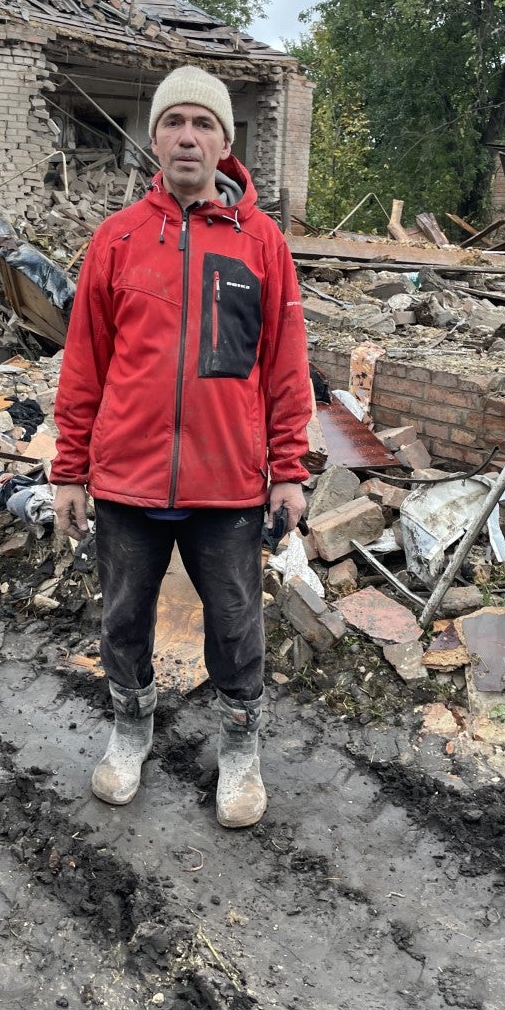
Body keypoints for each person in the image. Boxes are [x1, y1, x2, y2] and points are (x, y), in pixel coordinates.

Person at [51, 65, 310, 828]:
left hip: (227, 485)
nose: (187, 137)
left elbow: (285, 367)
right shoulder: (119, 240)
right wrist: (70, 470)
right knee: (124, 617)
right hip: (128, 481)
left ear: (226, 142)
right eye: (174, 123)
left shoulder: (262, 246)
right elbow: (84, 362)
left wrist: (288, 470)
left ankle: (240, 750)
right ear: (155, 138)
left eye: (203, 124)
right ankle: (131, 729)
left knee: (235, 624)